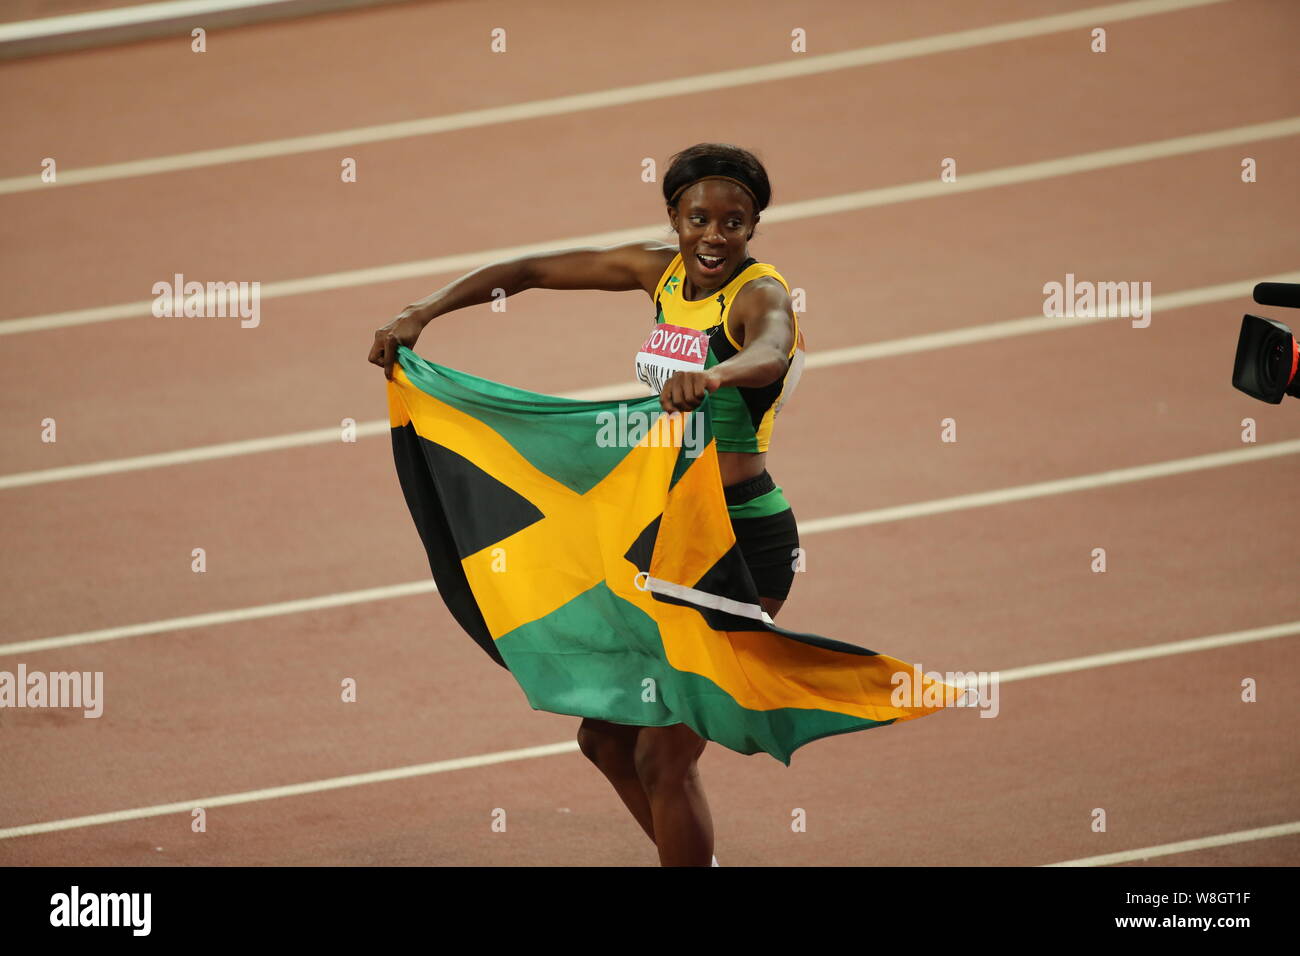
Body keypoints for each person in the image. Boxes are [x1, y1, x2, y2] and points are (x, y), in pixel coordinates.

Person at [369, 143, 803, 867]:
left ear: (754, 228)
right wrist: (424, 309)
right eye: (700, 217)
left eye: (735, 222)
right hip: (662, 542)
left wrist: (718, 376)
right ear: (674, 218)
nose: (715, 235)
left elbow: (774, 347)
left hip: (738, 548)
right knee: (604, 740)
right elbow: (531, 273)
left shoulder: (759, 295)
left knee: (665, 759)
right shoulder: (658, 272)